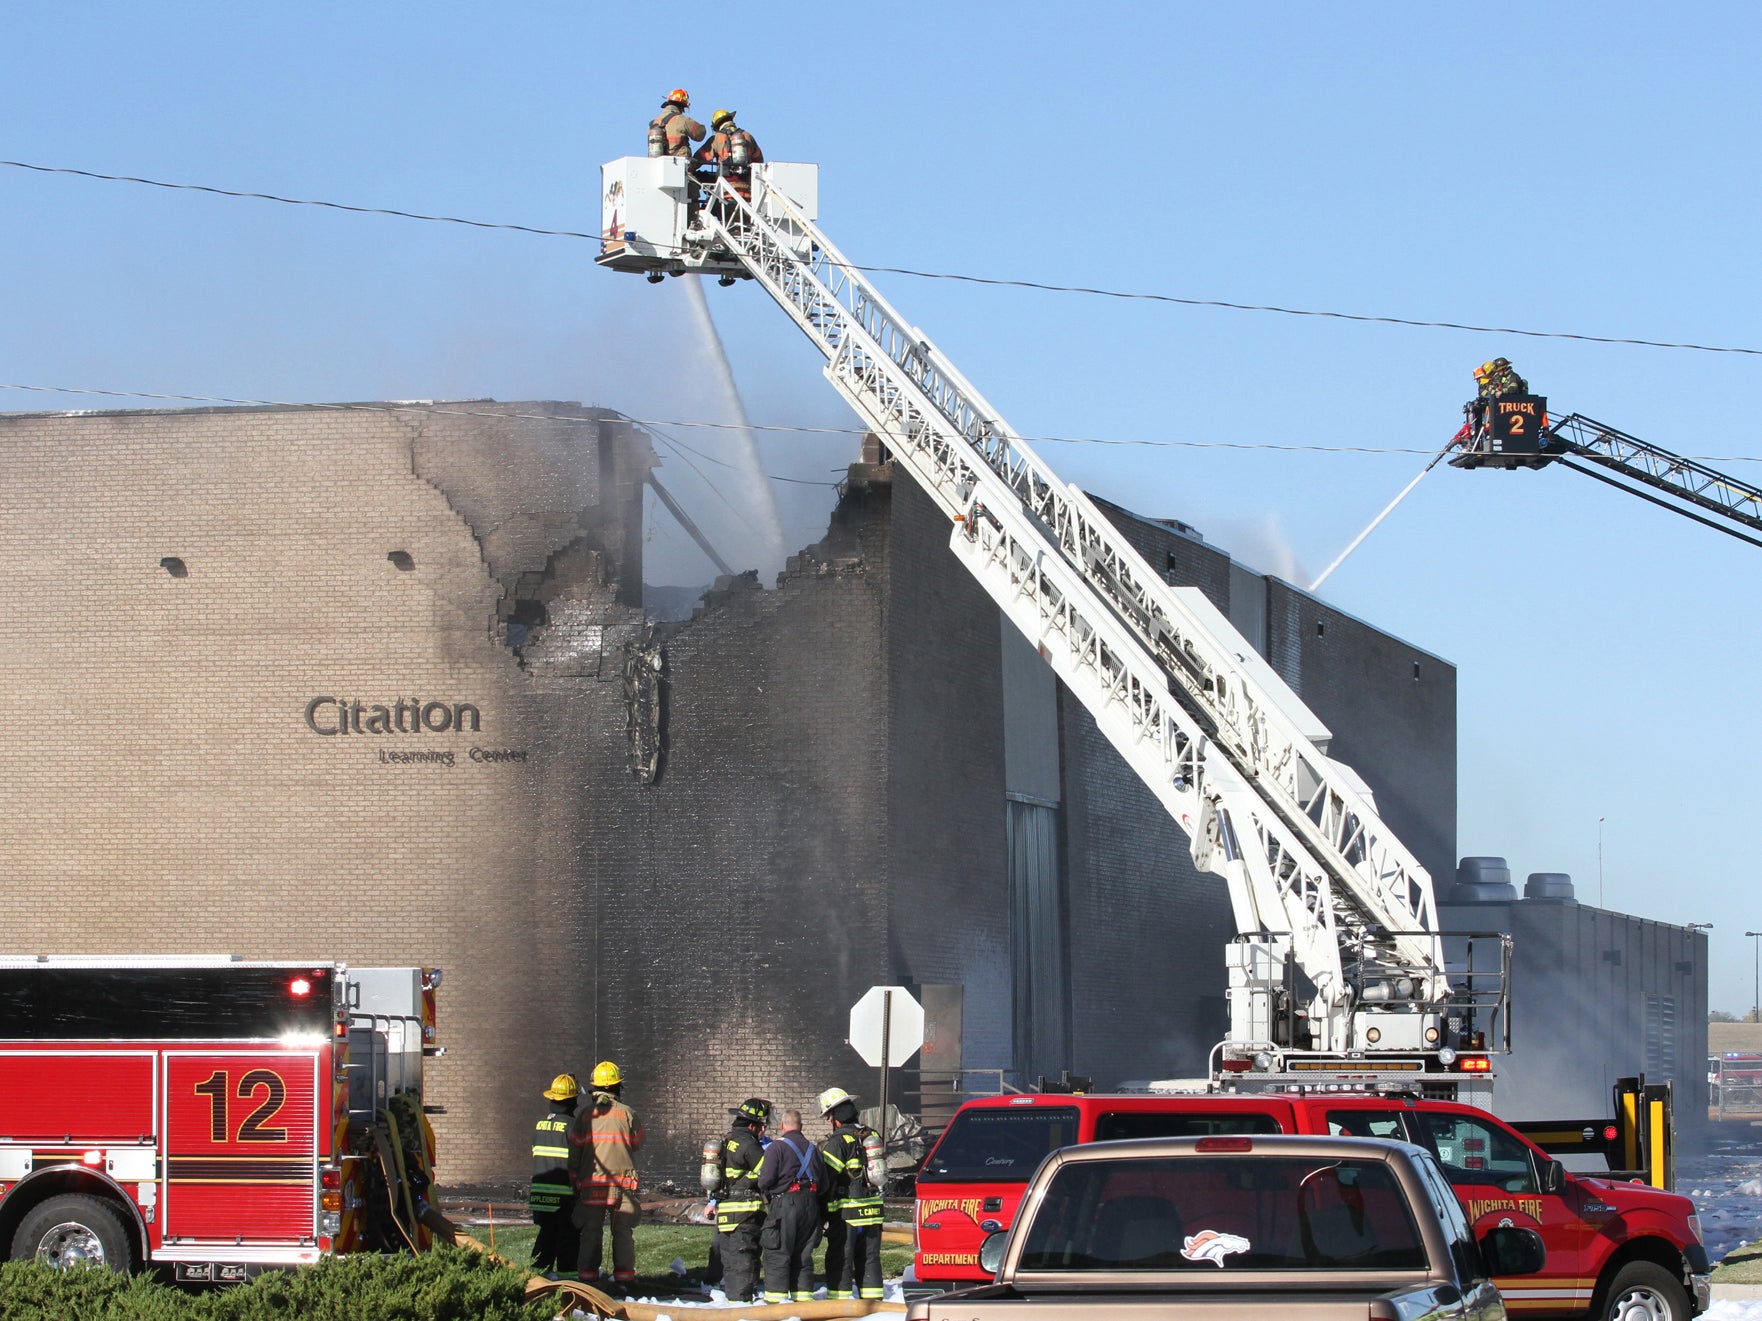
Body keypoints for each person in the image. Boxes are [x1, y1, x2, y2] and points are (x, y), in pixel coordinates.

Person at [568, 1060, 644, 1290]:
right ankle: (624, 1278)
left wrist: (574, 1178)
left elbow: (575, 1151)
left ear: (596, 1089)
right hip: (623, 1186)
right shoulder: (628, 1114)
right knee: (621, 1230)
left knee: (591, 1230)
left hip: (592, 1185)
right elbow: (637, 1143)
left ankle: (588, 1278)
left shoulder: (584, 1116)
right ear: (617, 1087)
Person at [816, 1086, 884, 1302]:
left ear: (836, 1116)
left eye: (829, 1116)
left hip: (847, 1213)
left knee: (841, 1257)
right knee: (870, 1258)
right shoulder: (872, 1134)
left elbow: (826, 1178)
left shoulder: (837, 1141)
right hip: (873, 1210)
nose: (829, 1122)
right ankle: (873, 1307)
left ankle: (840, 1306)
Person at [759, 1107, 822, 1304]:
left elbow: (765, 1181)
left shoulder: (776, 1148)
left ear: (781, 1126)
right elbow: (824, 1183)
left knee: (778, 1252)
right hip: (811, 1205)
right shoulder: (814, 1149)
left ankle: (776, 1306)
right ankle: (803, 1303)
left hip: (785, 1204)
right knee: (803, 1254)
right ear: (801, 1126)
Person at [714, 1097, 772, 1302]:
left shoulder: (726, 1141)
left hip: (726, 1210)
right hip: (745, 1212)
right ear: (751, 1125)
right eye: (760, 1126)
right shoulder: (749, 1144)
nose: (761, 1131)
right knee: (744, 1257)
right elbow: (767, 1172)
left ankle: (733, 1300)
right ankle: (742, 1304)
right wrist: (747, 1183)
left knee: (730, 1259)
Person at [529, 1072, 580, 1278]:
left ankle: (537, 1277)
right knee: (567, 1239)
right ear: (572, 1100)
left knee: (546, 1236)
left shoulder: (538, 1126)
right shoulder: (573, 1127)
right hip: (564, 1196)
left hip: (540, 1194)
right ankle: (569, 1280)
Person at [700, 109, 764, 203]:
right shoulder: (748, 136)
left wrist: (689, 170)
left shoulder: (717, 138)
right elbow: (759, 161)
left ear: (717, 126)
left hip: (726, 194)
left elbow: (700, 158)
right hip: (748, 195)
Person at [647, 89, 706, 160]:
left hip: (659, 165)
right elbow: (700, 134)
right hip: (680, 165)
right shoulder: (682, 120)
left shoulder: (653, 123)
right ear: (683, 106)